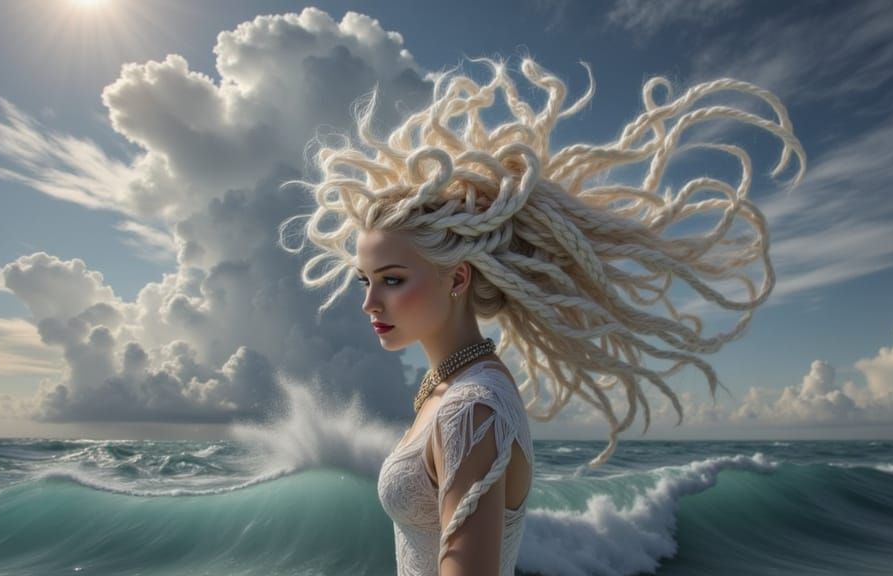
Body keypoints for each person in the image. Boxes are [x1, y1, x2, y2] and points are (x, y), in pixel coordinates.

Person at [277, 55, 805, 576]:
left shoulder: (471, 409)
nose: (371, 302)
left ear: (457, 279)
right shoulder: (451, 390)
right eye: (365, 282)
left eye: (392, 280)